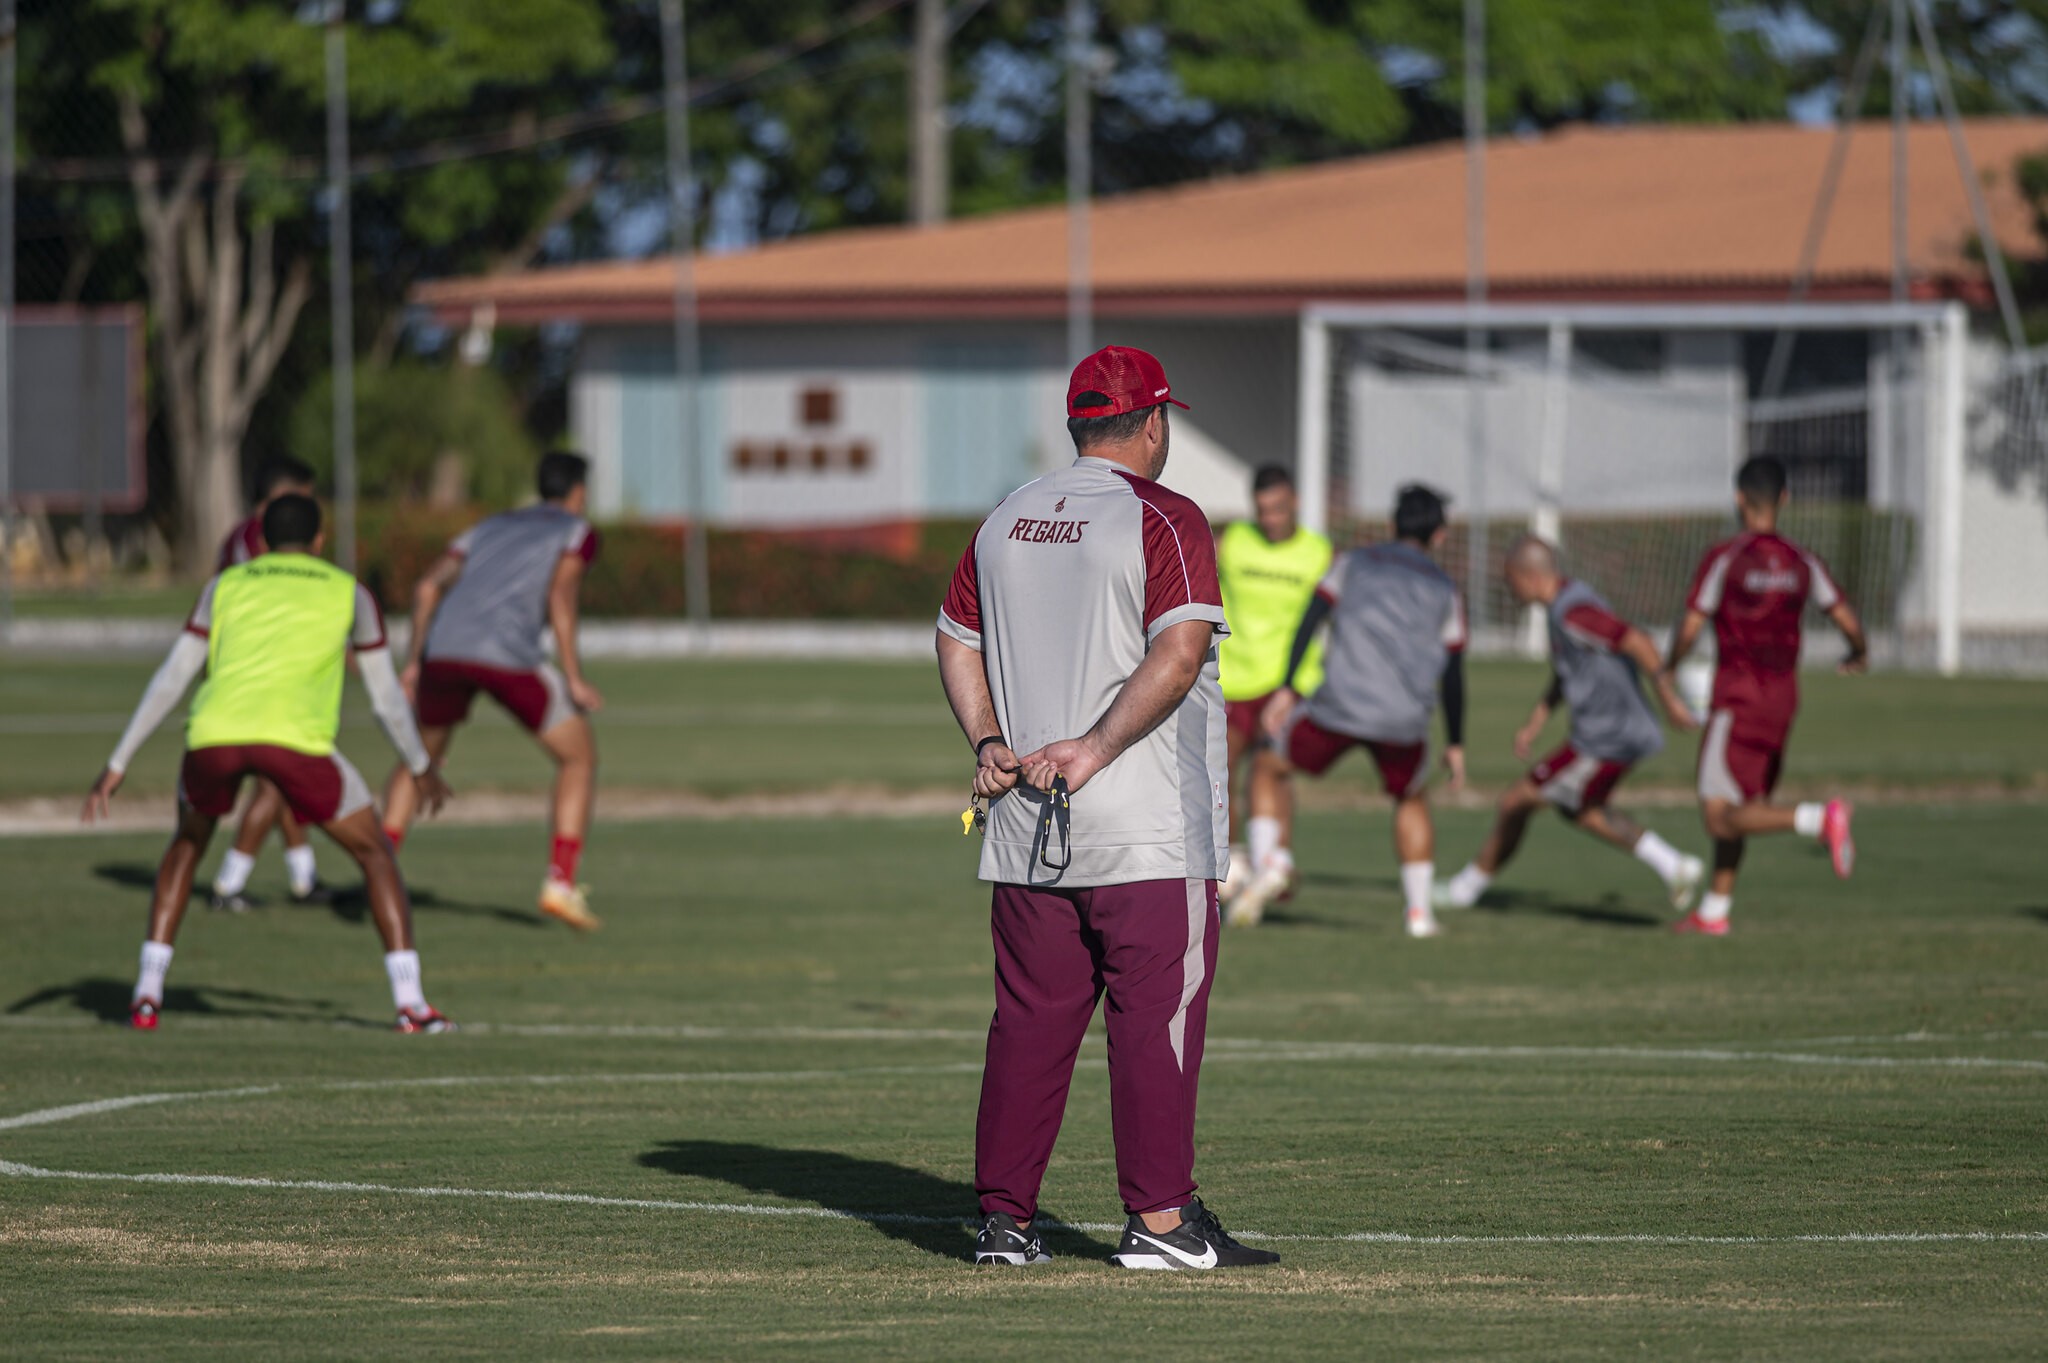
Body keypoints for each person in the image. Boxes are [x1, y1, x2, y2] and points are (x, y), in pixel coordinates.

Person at [936, 344, 1278, 1273]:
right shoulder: (1165, 515)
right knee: (1154, 1021)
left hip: (1024, 827)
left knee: (1029, 1024)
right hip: (1146, 825)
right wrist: (1093, 748)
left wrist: (987, 742)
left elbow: (954, 640)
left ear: (1078, 423)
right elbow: (1177, 657)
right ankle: (1161, 1225)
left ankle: (1005, 1224)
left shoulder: (1005, 518)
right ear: (1155, 421)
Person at [82, 494, 456, 1032]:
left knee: (187, 844)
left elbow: (173, 675)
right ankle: (411, 1004)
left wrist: (119, 760)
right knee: (376, 854)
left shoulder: (226, 585)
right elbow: (384, 699)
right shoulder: (350, 593)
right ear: (320, 541)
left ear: (258, 541)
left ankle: (146, 994)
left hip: (214, 737)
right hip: (296, 744)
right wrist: (419, 766)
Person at [380, 452, 605, 931]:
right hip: (509, 656)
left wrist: (415, 662)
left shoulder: (486, 526)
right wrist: (573, 675)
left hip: (445, 651)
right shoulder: (575, 530)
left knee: (419, 761)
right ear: (578, 493)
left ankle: (379, 870)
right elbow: (561, 597)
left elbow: (426, 588)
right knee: (578, 758)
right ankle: (559, 884)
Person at [1436, 537, 1706, 914]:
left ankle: (1465, 890)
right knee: (1580, 808)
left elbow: (1637, 640)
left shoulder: (1573, 611)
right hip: (1612, 733)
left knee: (1517, 801)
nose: (1508, 588)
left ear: (1530, 577)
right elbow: (1572, 669)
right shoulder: (1563, 608)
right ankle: (1674, 865)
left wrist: (1670, 699)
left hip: (1607, 737)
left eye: (1510, 578)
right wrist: (1538, 718)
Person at [1662, 455, 1865, 935]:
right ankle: (1715, 910)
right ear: (1784, 500)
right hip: (1783, 700)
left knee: (1718, 815)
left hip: (1737, 698)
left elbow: (1691, 625)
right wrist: (1857, 652)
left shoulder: (1727, 558)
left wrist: (1668, 667)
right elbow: (1846, 619)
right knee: (1742, 807)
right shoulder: (1802, 560)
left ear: (1738, 498)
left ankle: (1820, 819)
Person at [1259, 484, 1466, 939]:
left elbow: (1311, 617)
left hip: (1340, 707)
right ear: (1439, 536)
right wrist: (1455, 742)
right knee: (1410, 797)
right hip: (1403, 719)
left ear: (1393, 525)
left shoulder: (1353, 562)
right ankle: (1419, 916)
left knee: (1268, 766)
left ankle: (1271, 862)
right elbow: (1453, 670)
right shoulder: (1444, 588)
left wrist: (1290, 687)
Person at [210, 454, 329, 911]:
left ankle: (304, 877)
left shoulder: (238, 536)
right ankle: (228, 884)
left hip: (248, 670)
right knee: (275, 781)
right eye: (304, 496)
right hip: (262, 673)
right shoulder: (265, 542)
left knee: (280, 778)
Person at [1214, 465, 1331, 925]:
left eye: (1279, 508)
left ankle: (1273, 863)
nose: (1271, 518)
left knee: (1272, 773)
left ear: (1296, 503)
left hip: (1289, 685)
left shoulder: (1318, 553)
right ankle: (1233, 866)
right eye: (1263, 510)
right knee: (1218, 775)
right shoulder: (1233, 542)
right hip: (1232, 679)